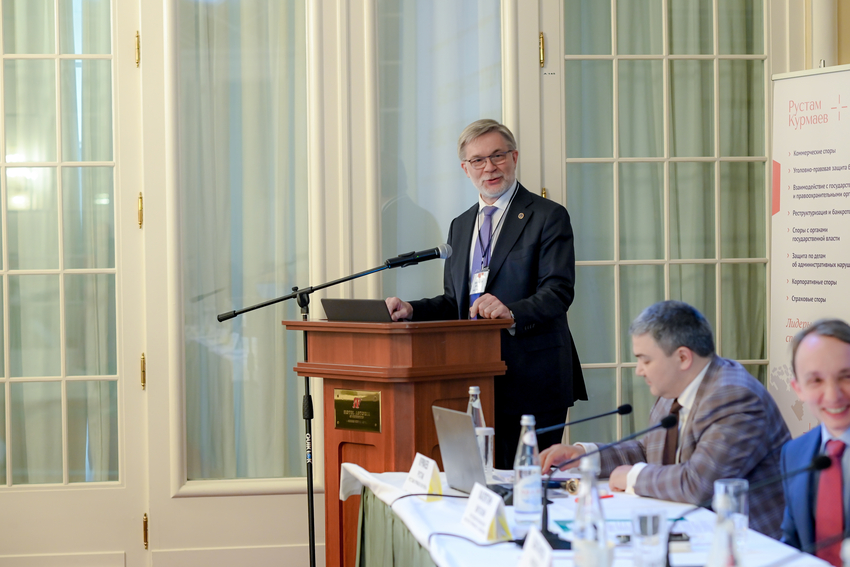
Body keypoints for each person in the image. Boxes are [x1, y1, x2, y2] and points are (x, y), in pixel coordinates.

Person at [385, 119, 586, 469]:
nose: (489, 167)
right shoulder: (461, 225)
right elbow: (456, 303)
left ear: (514, 157)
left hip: (533, 378)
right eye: (478, 160)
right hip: (473, 377)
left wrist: (511, 311)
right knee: (479, 481)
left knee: (527, 484)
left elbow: (558, 292)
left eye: (498, 156)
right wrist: (412, 310)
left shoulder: (547, 216)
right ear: (465, 169)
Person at [539, 300, 790, 538]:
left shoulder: (734, 396)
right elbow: (649, 452)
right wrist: (585, 456)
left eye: (645, 360)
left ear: (683, 358)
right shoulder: (674, 389)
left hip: (746, 544)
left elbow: (698, 485)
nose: (639, 371)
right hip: (688, 530)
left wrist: (634, 477)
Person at [780, 319, 850, 566]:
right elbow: (792, 542)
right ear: (798, 389)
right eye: (816, 381)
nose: (833, 395)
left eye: (847, 377)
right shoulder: (794, 453)